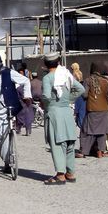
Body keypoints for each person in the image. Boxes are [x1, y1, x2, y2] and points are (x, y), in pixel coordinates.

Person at [42, 52, 84, 185]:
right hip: (67, 112)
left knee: (57, 144)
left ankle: (60, 175)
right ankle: (70, 173)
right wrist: (67, 100)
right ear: (59, 62)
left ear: (46, 64)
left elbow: (46, 96)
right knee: (70, 143)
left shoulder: (48, 78)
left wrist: (50, 106)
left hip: (54, 113)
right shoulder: (66, 75)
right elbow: (81, 89)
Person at [0, 52, 30, 173]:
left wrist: (27, 96)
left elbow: (25, 81)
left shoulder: (8, 72)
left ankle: (8, 161)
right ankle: (6, 161)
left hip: (6, 109)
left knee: (2, 136)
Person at [78, 62, 108, 158]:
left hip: (92, 110)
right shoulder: (105, 81)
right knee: (101, 132)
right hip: (104, 110)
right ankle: (100, 151)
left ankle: (84, 151)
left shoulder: (88, 80)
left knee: (86, 131)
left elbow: (84, 95)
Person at [16, 66, 35, 136]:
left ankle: (25, 129)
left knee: (23, 117)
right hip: (24, 103)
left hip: (25, 103)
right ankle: (21, 129)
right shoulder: (20, 84)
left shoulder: (21, 86)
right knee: (24, 116)